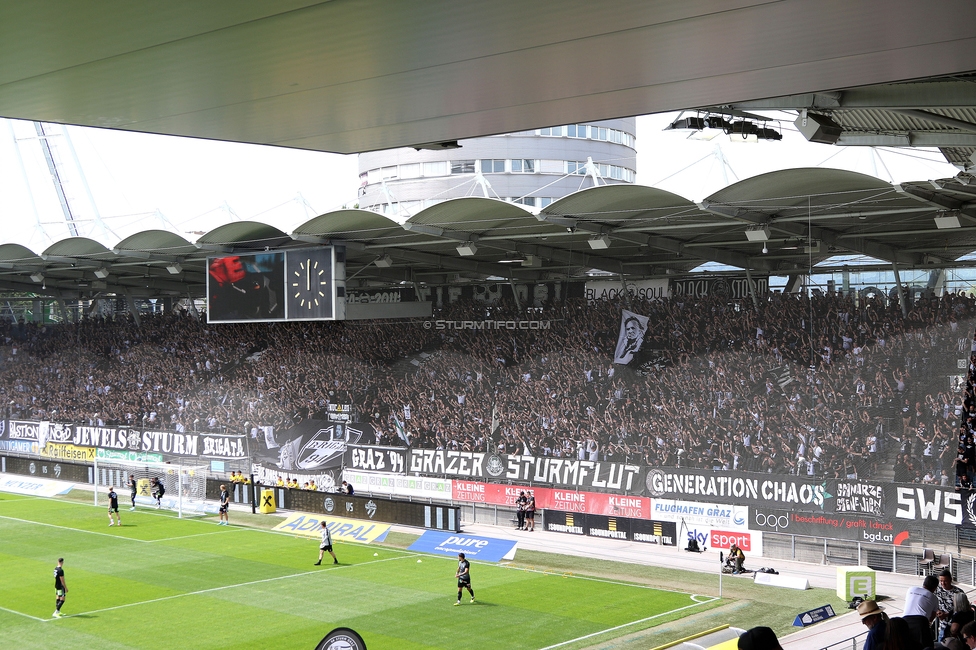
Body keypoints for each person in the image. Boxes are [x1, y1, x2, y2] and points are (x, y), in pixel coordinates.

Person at [904, 575, 940, 648]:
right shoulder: (934, 598)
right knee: (926, 646)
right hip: (920, 622)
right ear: (935, 588)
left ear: (924, 584)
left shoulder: (911, 589)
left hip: (905, 620)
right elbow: (931, 618)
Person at [938, 569, 967, 640]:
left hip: (956, 628)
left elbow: (963, 608)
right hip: (942, 626)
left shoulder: (958, 592)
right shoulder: (937, 590)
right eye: (941, 581)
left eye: (945, 581)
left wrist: (947, 614)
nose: (943, 583)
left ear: (950, 580)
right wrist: (937, 612)